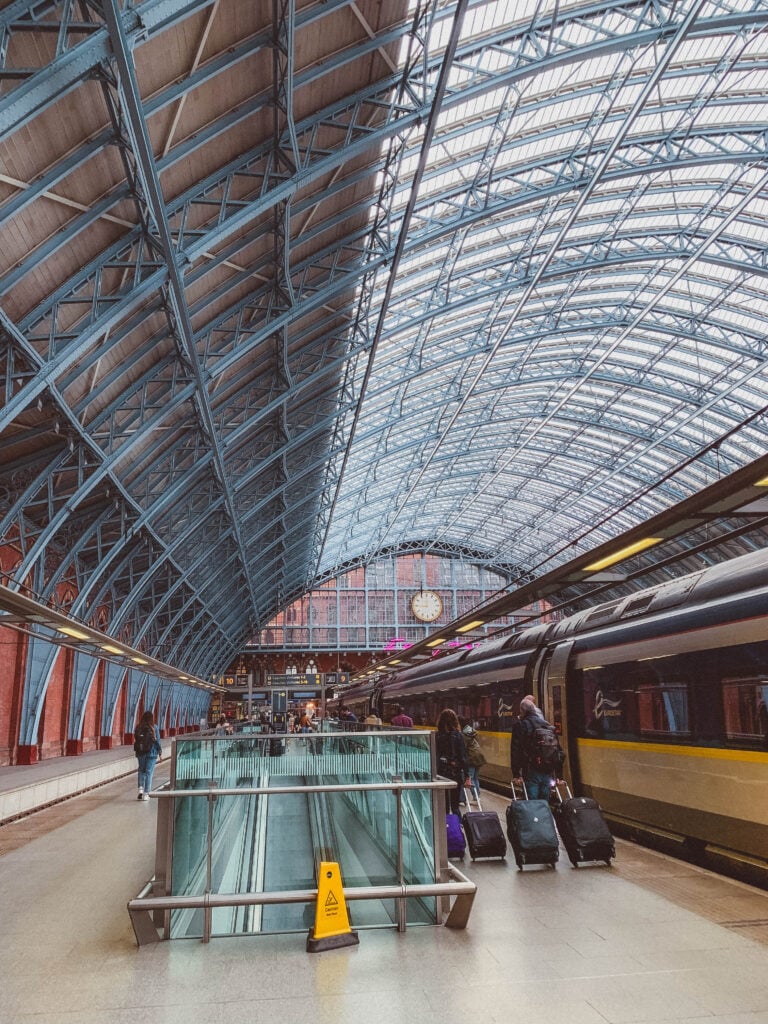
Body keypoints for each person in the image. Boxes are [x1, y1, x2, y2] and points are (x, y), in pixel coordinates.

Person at [510, 695, 563, 800]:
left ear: (522, 710)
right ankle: (544, 816)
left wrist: (516, 774)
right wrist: (559, 776)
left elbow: (516, 750)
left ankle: (534, 816)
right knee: (544, 802)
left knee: (532, 801)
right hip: (547, 770)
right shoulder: (547, 726)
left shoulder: (520, 725)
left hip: (531, 769)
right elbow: (558, 751)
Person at [435, 708, 469, 815]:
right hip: (455, 773)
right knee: (455, 805)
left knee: (443, 804)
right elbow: (463, 757)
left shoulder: (437, 736)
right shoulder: (458, 736)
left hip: (441, 773)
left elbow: (435, 755)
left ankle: (445, 827)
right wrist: (467, 776)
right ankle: (457, 828)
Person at [133, 711, 162, 801]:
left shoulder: (138, 727)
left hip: (140, 752)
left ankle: (140, 789)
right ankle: (146, 793)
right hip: (152, 753)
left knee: (141, 770)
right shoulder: (154, 727)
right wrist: (160, 752)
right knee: (149, 772)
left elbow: (136, 739)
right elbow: (157, 741)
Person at [462, 722, 486, 792]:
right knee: (475, 778)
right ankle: (477, 795)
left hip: (472, 758)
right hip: (478, 757)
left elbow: (463, 748)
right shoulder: (471, 733)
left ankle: (476, 796)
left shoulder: (464, 735)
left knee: (470, 778)